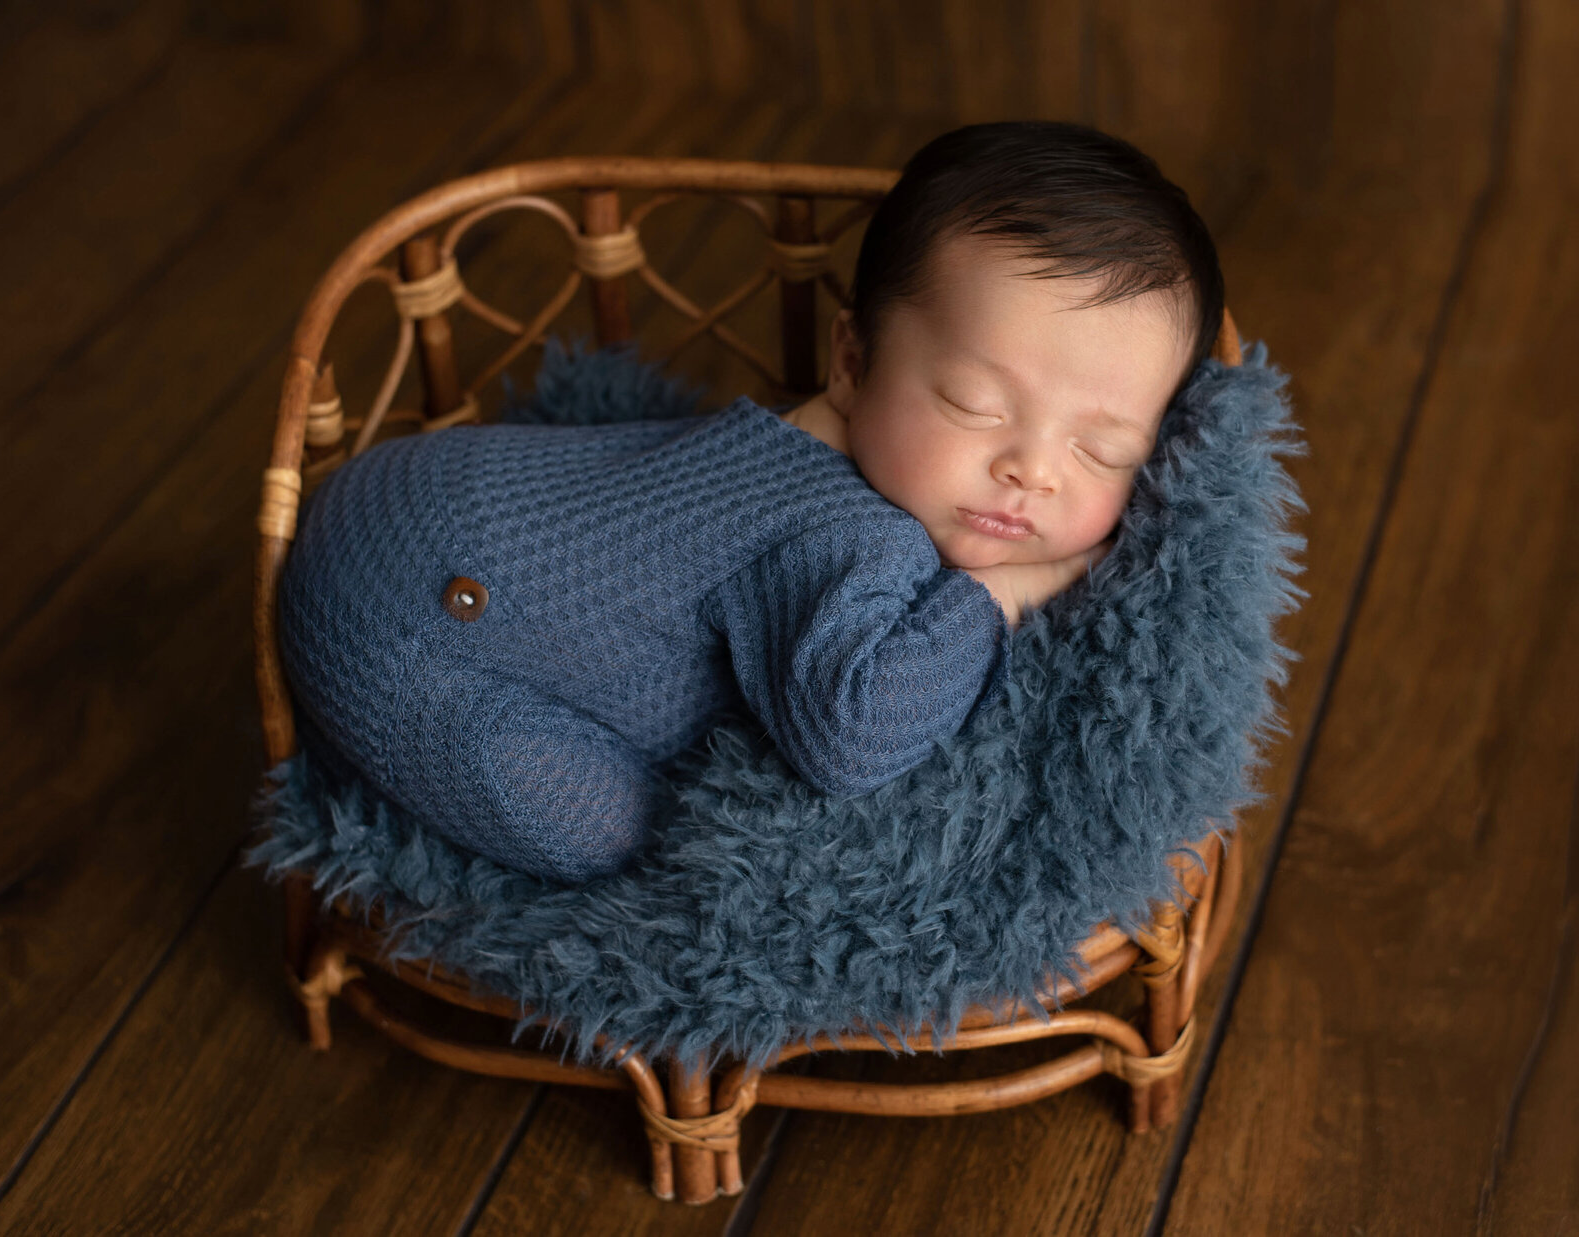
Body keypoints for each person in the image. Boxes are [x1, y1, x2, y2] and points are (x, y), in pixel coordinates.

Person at [276, 121, 1225, 884]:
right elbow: (851, 733)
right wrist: (1005, 596)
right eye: (974, 405)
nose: (1033, 470)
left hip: (415, 496)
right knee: (629, 840)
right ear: (851, 364)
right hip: (402, 622)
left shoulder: (809, 440)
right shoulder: (853, 536)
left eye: (1104, 450)